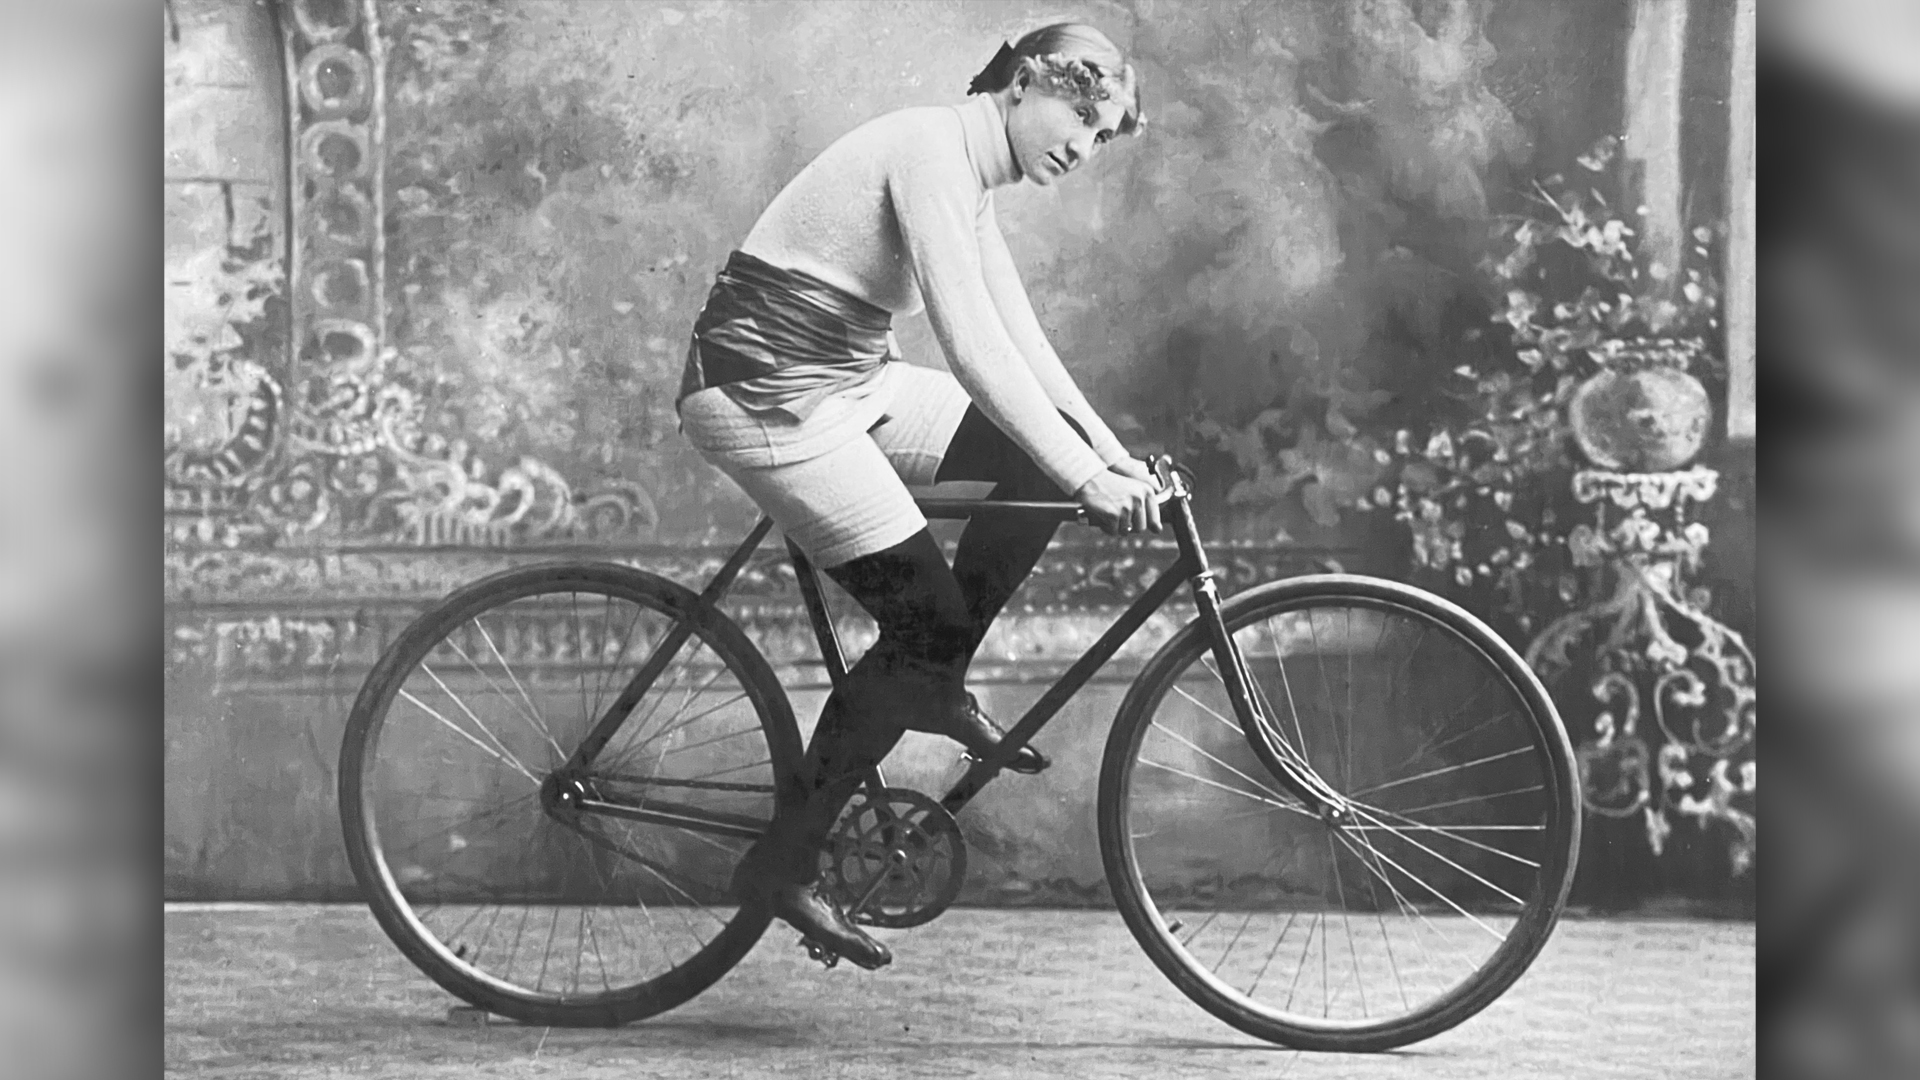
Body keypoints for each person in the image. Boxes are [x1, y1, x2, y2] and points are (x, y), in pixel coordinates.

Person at [676, 23, 1155, 970]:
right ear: (1023, 85)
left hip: (848, 377)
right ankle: (785, 863)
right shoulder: (930, 146)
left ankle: (927, 679)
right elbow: (971, 343)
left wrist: (1108, 454)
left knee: (1024, 474)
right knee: (930, 615)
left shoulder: (971, 172)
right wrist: (1086, 476)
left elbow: (1024, 338)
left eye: (1103, 137)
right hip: (767, 390)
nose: (1083, 144)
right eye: (1079, 113)